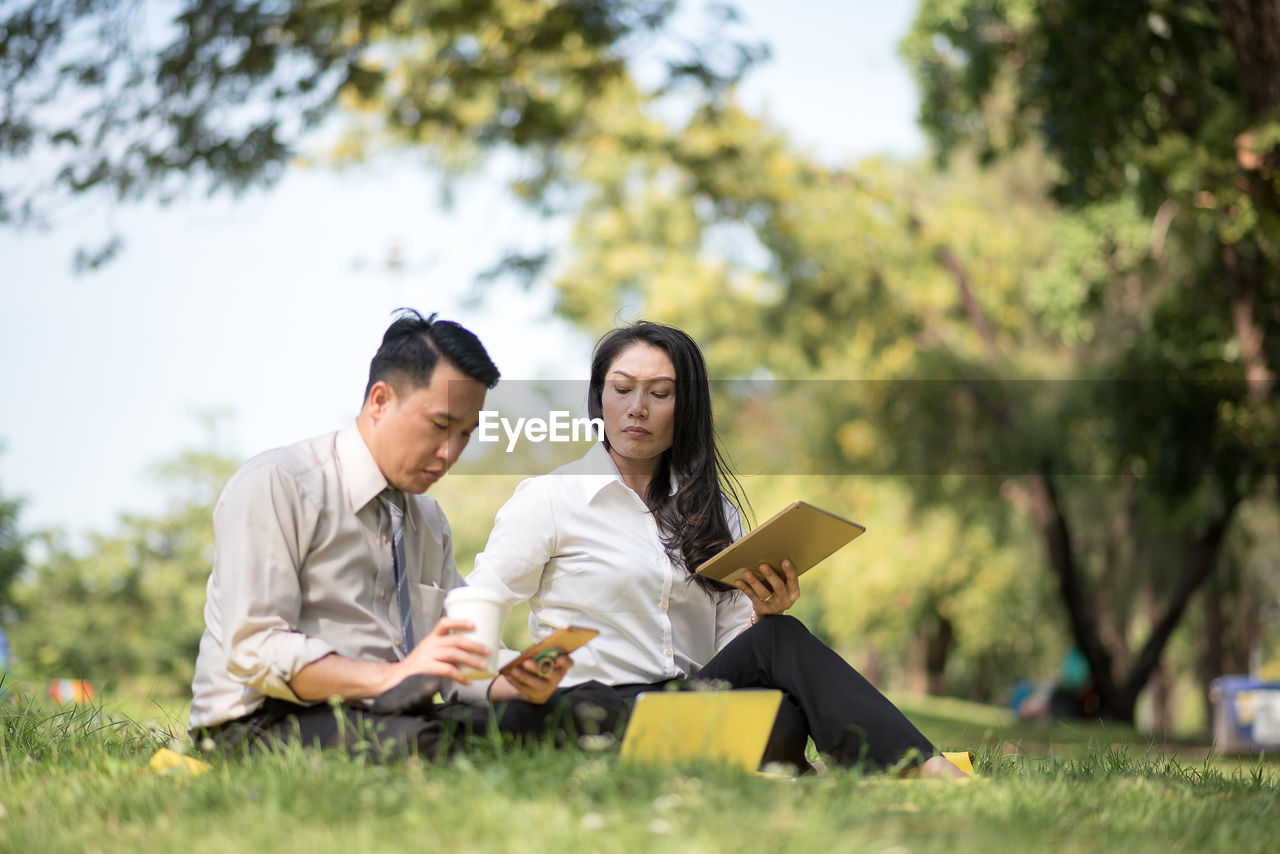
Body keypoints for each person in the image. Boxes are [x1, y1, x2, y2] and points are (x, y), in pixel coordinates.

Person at [467, 320, 966, 777]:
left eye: (659, 394)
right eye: (621, 390)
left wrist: (761, 615)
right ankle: (918, 767)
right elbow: (471, 617)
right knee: (771, 675)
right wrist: (519, 677)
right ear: (599, 400)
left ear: (683, 410)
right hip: (593, 706)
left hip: (686, 704)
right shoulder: (551, 499)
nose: (637, 407)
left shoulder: (712, 511)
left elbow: (735, 650)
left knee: (781, 690)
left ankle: (893, 764)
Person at [189, 310, 619, 758]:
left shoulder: (427, 519)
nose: (450, 453)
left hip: (393, 713)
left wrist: (507, 677)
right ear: (380, 401)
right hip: (263, 718)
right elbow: (256, 647)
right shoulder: (279, 483)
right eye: (439, 426)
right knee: (421, 745)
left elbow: (455, 657)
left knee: (585, 706)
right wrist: (391, 677)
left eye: (466, 435)